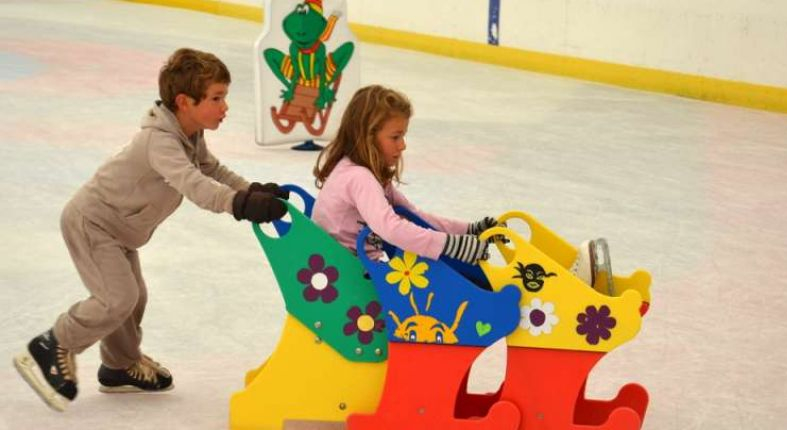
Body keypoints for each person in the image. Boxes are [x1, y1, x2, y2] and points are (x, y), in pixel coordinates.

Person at [13, 48, 289, 412]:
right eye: (216, 99)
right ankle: (53, 344)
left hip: (120, 228)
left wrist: (251, 191)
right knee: (117, 298)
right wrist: (239, 205)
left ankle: (119, 366)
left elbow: (213, 171)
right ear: (184, 102)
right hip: (93, 223)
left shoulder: (189, 134)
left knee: (133, 298)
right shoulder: (160, 141)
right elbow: (194, 184)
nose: (225, 107)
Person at [312, 84, 501, 265]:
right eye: (395, 137)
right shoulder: (358, 177)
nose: (402, 145)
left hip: (360, 269)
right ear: (367, 137)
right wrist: (450, 245)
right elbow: (392, 228)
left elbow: (414, 217)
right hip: (348, 276)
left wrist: (470, 230)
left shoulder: (369, 175)